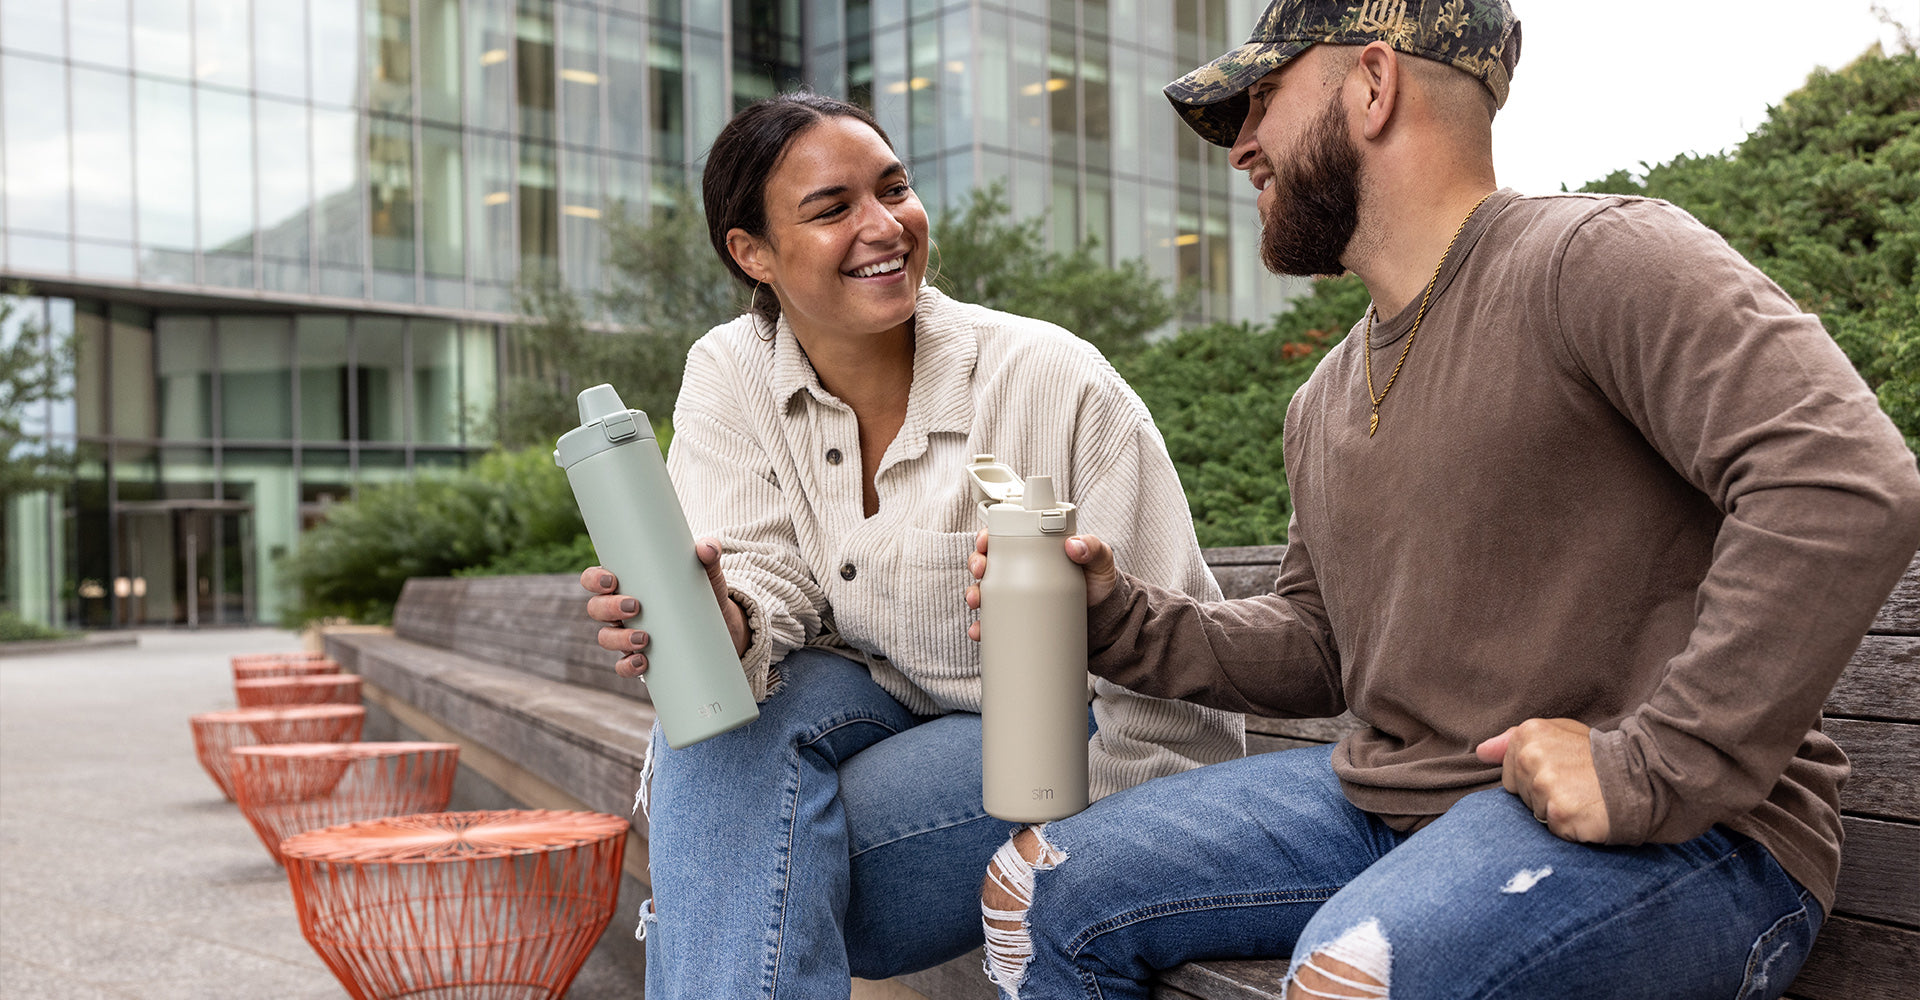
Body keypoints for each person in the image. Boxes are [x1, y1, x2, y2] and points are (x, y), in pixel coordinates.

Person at [965, 2, 1920, 998]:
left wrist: (1660, 763)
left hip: (1697, 841)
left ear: (1373, 85)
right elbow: (1319, 643)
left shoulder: (1593, 257)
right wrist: (1117, 621)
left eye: (1264, 98)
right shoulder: (1323, 396)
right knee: (1036, 893)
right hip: (1400, 802)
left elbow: (1845, 480)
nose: (1242, 143)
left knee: (1354, 976)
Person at [579, 91, 1244, 998]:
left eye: (893, 189)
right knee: (731, 739)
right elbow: (767, 582)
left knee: (745, 861)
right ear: (752, 253)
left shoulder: (1049, 380)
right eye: (832, 208)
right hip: (867, 720)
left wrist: (1114, 866)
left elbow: (1174, 677)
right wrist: (723, 622)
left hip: (1054, 752)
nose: (884, 225)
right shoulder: (729, 371)